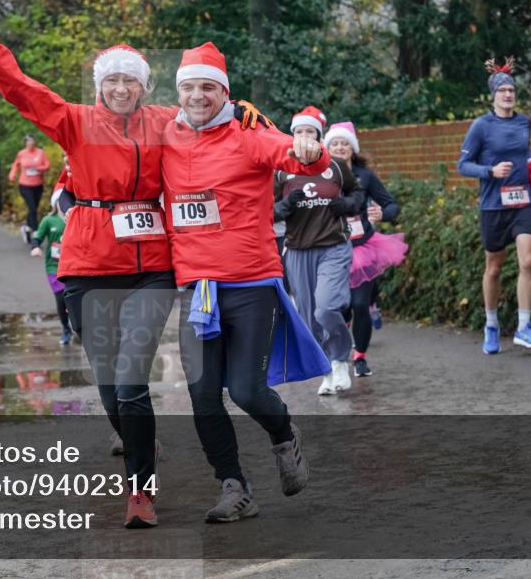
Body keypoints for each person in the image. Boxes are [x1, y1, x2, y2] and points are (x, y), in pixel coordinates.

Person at [0, 0, 267, 529]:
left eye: (132, 79)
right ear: (101, 84)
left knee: (131, 379)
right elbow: (22, 90)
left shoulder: (165, 121)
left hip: (153, 267)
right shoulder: (75, 121)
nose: (123, 87)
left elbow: (211, 115)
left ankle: (140, 492)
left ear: (144, 85)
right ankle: (140, 456)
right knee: (109, 386)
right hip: (86, 265)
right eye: (113, 79)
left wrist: (245, 111)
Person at [161, 44, 331, 523]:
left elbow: (297, 159)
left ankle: (284, 436)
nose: (198, 95)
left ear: (225, 93)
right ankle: (234, 487)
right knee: (201, 394)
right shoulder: (165, 135)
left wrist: (309, 151)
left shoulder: (248, 133)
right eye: (189, 87)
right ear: (179, 92)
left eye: (208, 87)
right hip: (199, 289)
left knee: (247, 390)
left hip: (251, 284)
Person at [457, 57, 531, 355]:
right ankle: (492, 324)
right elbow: (463, 165)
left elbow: (525, 152)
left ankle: (524, 327)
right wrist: (490, 172)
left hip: (522, 201)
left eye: (511, 90)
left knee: (528, 262)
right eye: (503, 91)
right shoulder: (481, 126)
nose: (508, 94)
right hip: (493, 206)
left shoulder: (525, 121)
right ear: (493, 95)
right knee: (494, 268)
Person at [274, 115, 366, 396]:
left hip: (333, 247)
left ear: (318, 136)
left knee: (325, 308)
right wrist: (285, 206)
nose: (304, 137)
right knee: (308, 319)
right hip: (298, 251)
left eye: (309, 132)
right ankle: (326, 368)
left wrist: (347, 204)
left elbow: (358, 194)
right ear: (291, 136)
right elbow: (266, 210)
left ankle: (340, 358)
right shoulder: (281, 170)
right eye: (299, 131)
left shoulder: (335, 166)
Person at [323, 122, 408, 377]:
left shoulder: (365, 177)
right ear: (327, 148)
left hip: (363, 249)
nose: (340, 147)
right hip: (330, 251)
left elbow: (392, 206)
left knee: (359, 304)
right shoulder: (321, 176)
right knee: (340, 307)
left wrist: (382, 213)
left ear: (352, 148)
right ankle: (339, 353)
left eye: (344, 143)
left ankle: (359, 357)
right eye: (334, 143)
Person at [30, 200, 72, 344]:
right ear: (56, 203)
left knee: (74, 298)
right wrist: (34, 247)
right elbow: (37, 238)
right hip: (54, 267)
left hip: (74, 266)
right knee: (61, 299)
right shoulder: (49, 220)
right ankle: (66, 328)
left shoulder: (76, 217)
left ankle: (80, 328)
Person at [9, 134, 51, 244]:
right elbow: (15, 165)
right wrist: (12, 175)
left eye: (32, 141)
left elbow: (47, 165)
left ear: (35, 142)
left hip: (38, 185)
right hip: (24, 185)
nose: (31, 143)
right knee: (32, 208)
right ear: (25, 142)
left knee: (33, 208)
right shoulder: (21, 153)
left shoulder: (40, 153)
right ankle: (36, 232)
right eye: (28, 141)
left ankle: (26, 228)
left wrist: (38, 168)